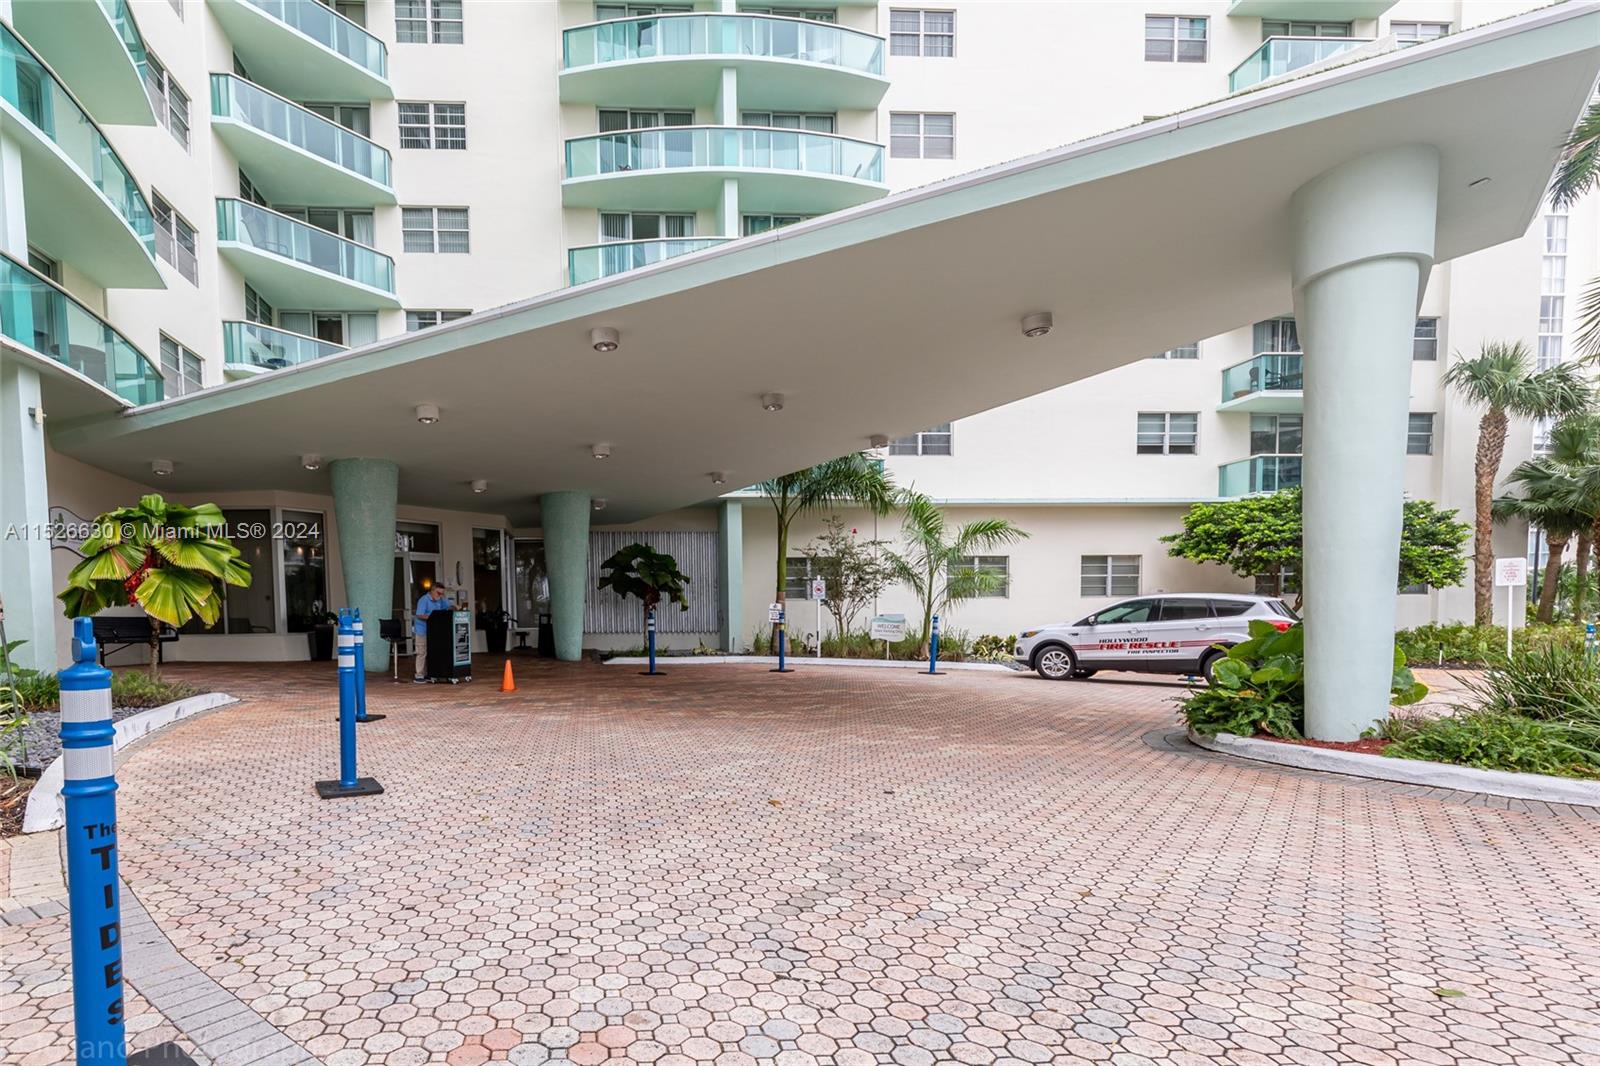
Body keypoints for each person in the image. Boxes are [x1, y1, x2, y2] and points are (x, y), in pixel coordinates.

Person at [413, 583, 453, 682]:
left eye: (442, 593)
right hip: (422, 630)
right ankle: (419, 675)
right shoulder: (424, 600)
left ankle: (430, 673)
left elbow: (447, 607)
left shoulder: (440, 600)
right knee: (422, 652)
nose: (440, 595)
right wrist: (433, 617)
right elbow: (419, 615)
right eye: (438, 593)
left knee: (432, 652)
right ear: (432, 590)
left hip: (434, 631)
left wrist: (445, 599)